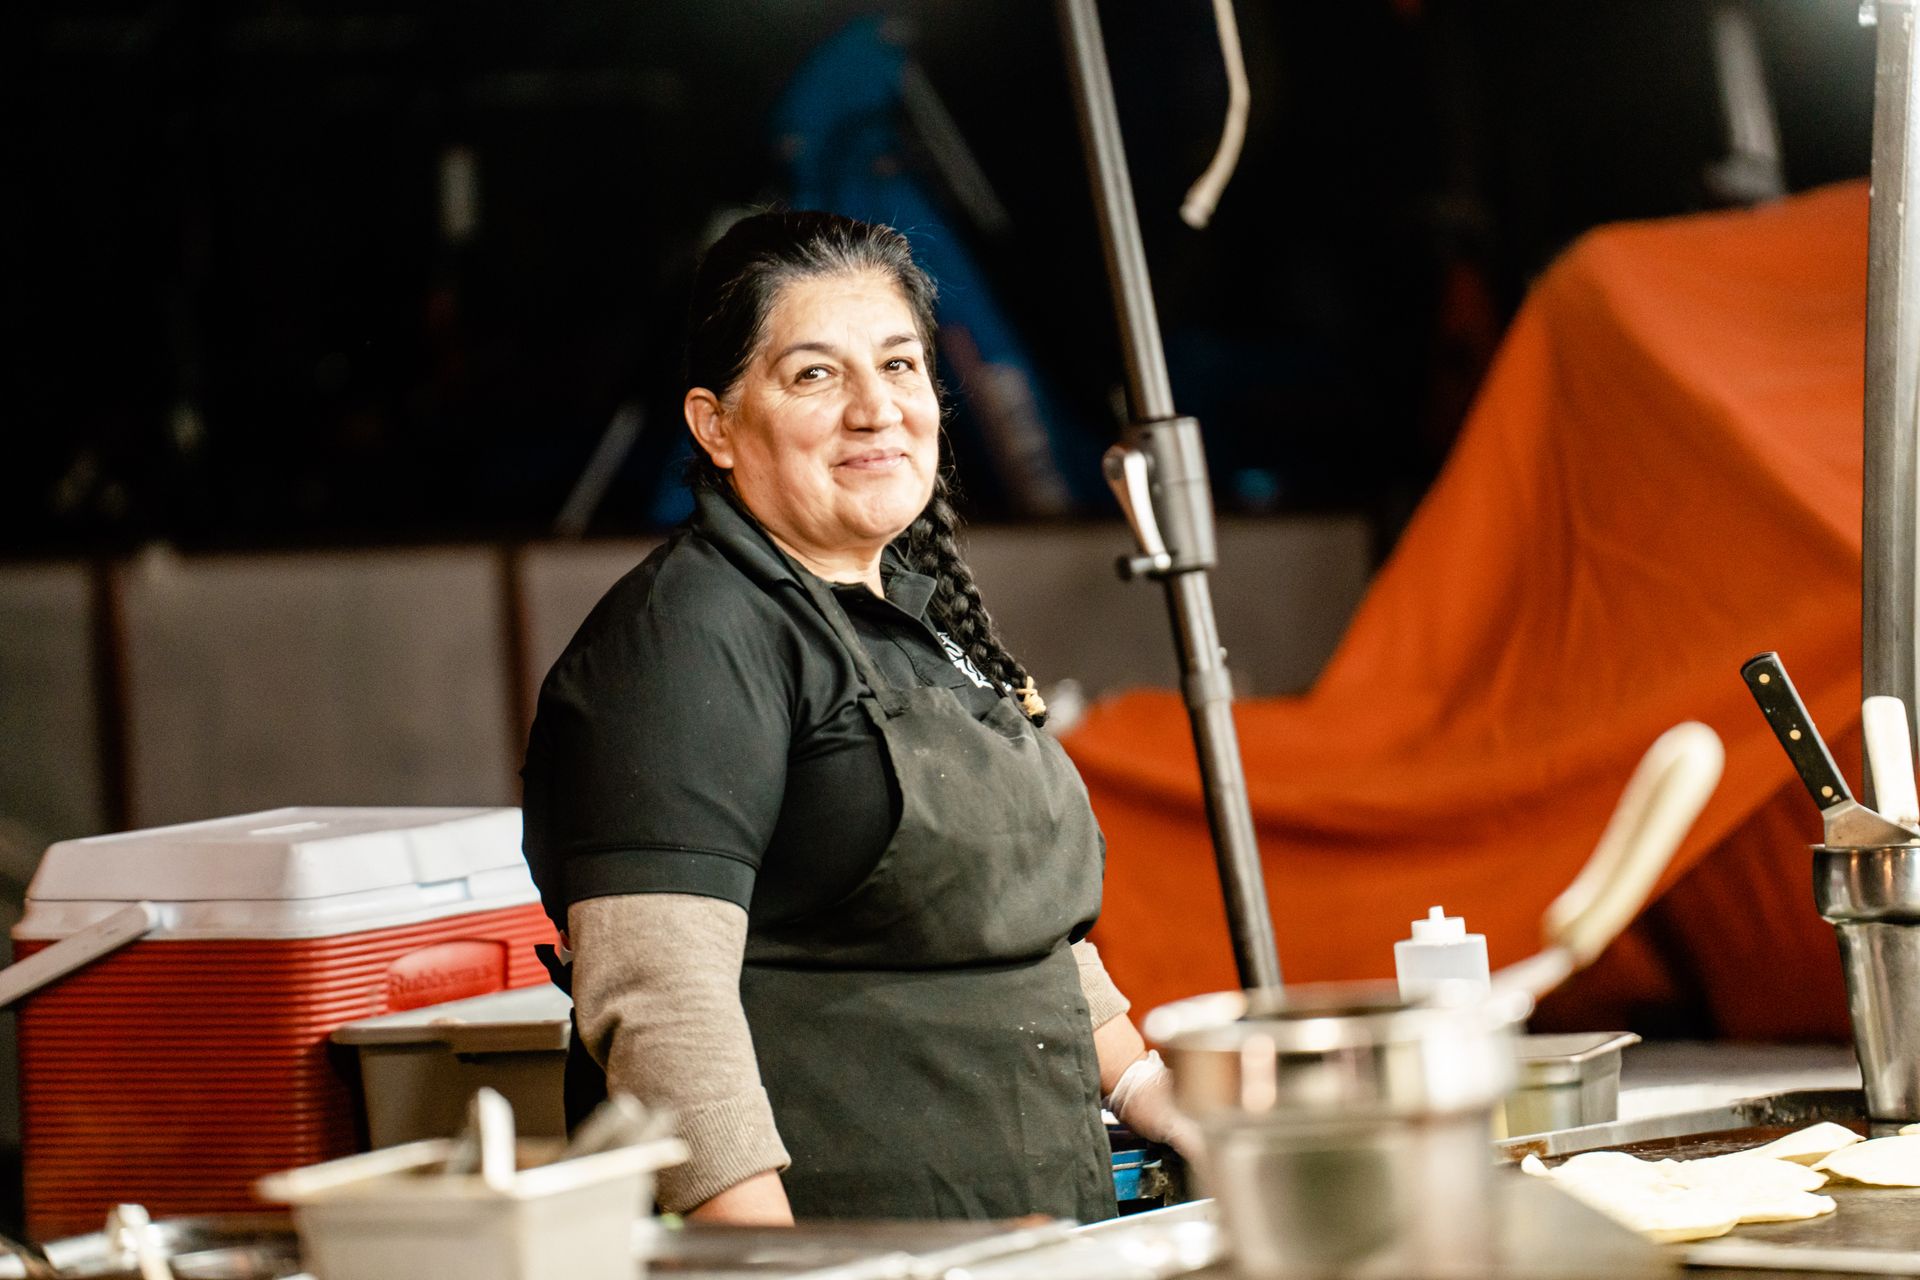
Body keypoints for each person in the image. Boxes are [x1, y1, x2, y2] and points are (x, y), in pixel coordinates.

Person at [520, 210, 1195, 1225]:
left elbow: (1012, 925)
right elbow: (661, 1001)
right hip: (852, 1239)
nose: (876, 409)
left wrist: (1154, 1093)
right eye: (814, 375)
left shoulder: (926, 625)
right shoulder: (689, 636)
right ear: (715, 424)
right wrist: (777, 1263)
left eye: (900, 365)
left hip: (1030, 1226)